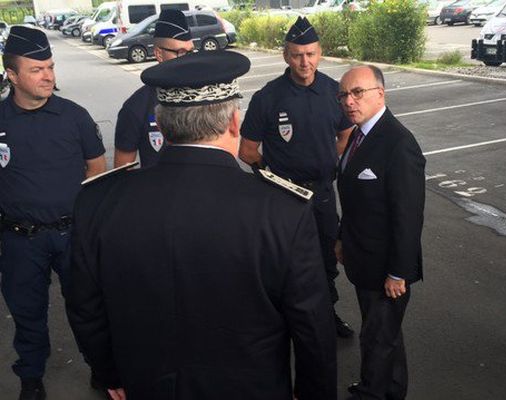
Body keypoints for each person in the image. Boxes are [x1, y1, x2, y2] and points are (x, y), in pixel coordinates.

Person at [66, 50, 337, 400]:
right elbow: (313, 326)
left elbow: (84, 305)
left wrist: (108, 372)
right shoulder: (283, 210)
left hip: (149, 385)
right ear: (234, 123)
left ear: (161, 127)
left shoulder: (98, 202)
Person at [0, 26, 106, 400]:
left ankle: (102, 369)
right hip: (18, 239)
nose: (48, 76)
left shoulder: (73, 116)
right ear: (12, 75)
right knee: (27, 313)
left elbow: (97, 169)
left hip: (71, 234)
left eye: (50, 67)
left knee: (89, 308)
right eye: (36, 69)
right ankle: (31, 378)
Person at [239, 16, 355, 337]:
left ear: (320, 53)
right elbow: (247, 151)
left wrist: (333, 161)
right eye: (297, 55)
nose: (304, 62)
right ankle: (285, 322)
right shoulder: (268, 97)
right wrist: (273, 179)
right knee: (286, 263)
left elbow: (345, 136)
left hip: (321, 195)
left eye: (311, 54)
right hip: (284, 198)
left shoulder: (335, 92)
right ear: (285, 56)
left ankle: (326, 316)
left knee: (326, 259)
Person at [336, 65, 425, 400]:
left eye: (357, 92)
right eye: (343, 94)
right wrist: (343, 237)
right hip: (364, 260)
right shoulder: (359, 136)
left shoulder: (398, 143)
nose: (348, 101)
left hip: (387, 268)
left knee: (377, 338)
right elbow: (356, 200)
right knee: (385, 335)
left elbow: (408, 216)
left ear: (380, 93)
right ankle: (390, 388)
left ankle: (373, 393)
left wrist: (398, 272)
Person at [113, 9, 195, 168]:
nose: (188, 60)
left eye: (191, 52)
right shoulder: (136, 106)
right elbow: (122, 172)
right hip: (157, 192)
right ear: (159, 53)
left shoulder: (206, 96)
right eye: (180, 52)